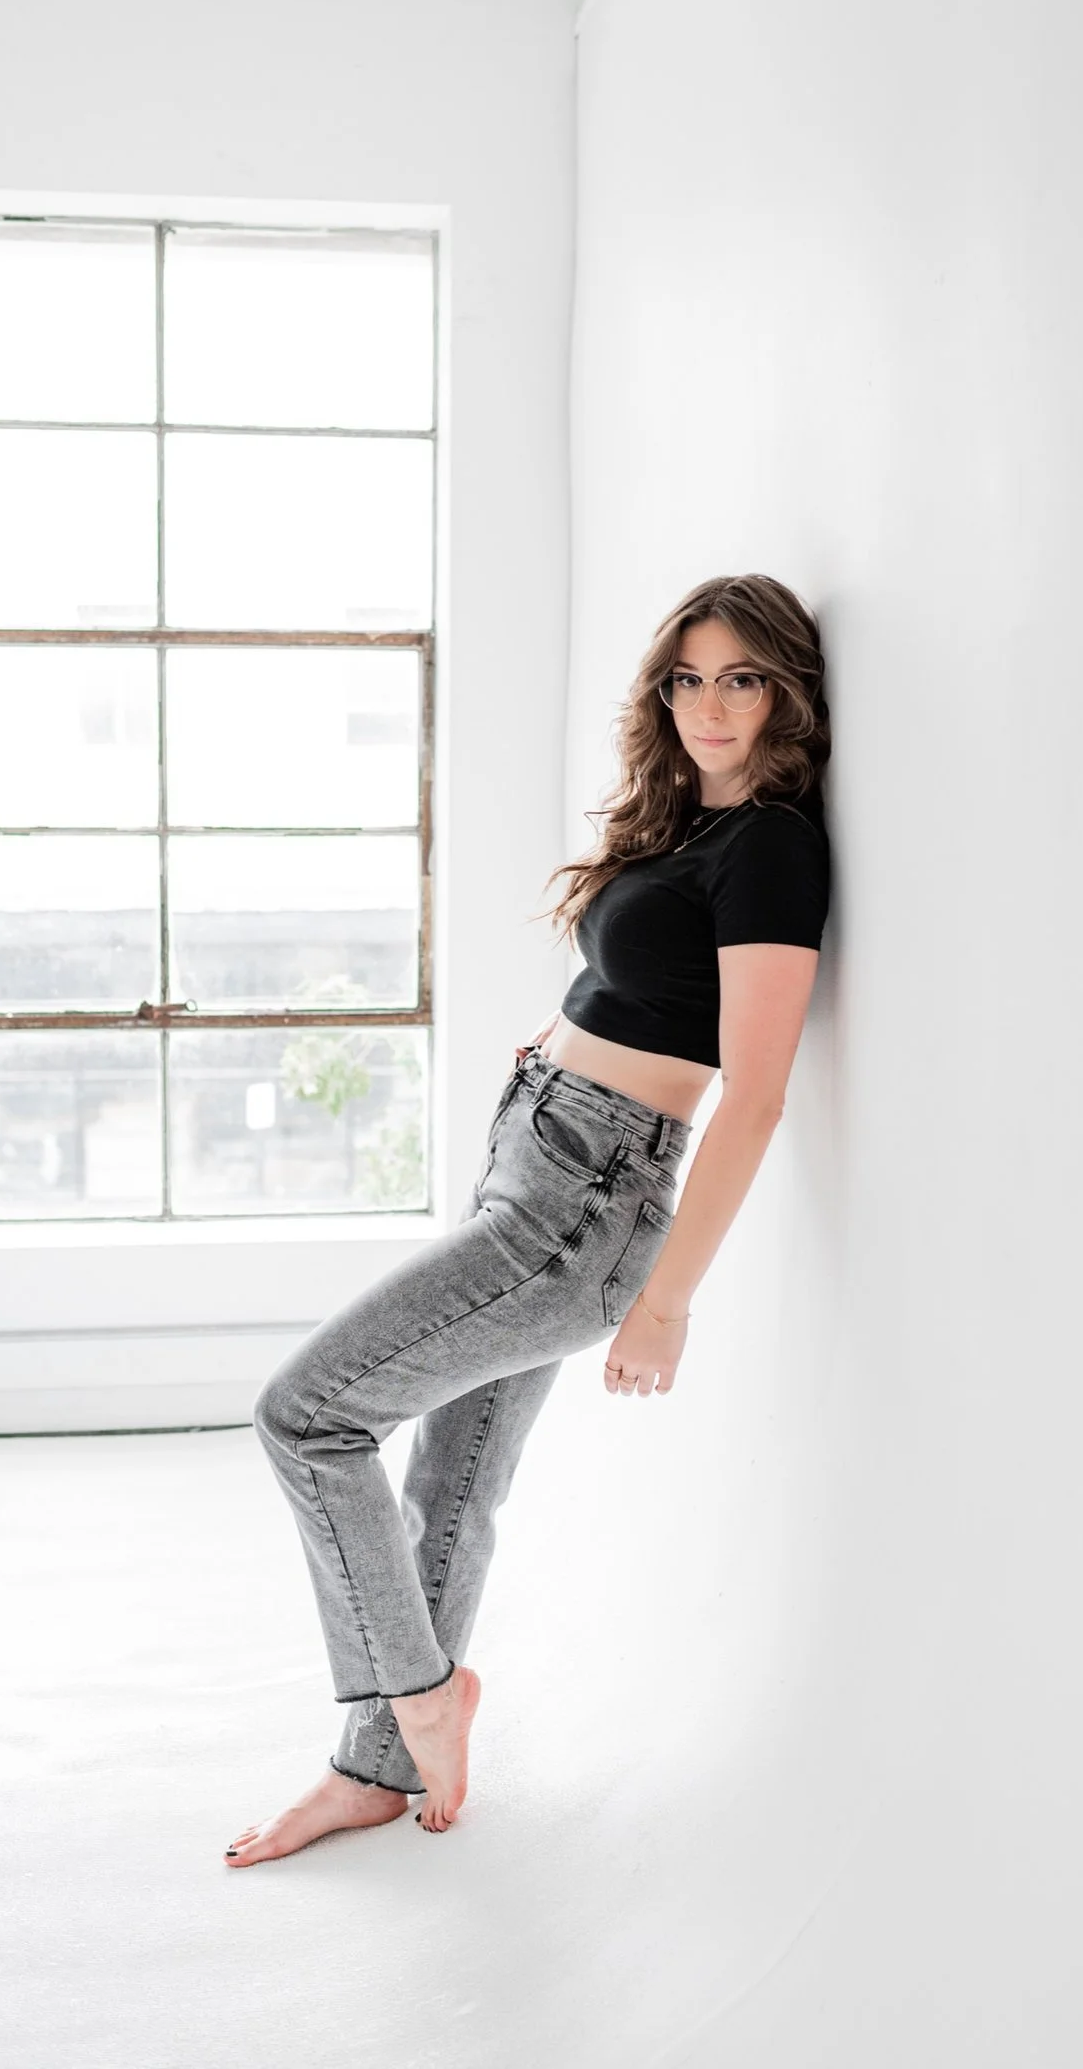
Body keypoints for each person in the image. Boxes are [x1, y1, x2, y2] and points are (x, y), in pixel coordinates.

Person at [225, 572, 831, 1863]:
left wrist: (666, 1301)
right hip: (538, 1160)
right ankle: (374, 1771)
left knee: (308, 1415)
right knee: (451, 1478)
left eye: (741, 679)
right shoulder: (693, 822)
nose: (710, 706)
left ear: (787, 691)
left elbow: (757, 1093)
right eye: (688, 678)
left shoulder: (773, 846)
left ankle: (416, 1696)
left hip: (580, 1208)